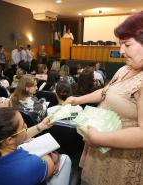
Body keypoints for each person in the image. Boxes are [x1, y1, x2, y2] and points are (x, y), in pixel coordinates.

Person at [63, 11, 143, 185]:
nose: (121, 51)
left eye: (127, 45)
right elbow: (106, 92)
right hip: (100, 152)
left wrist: (99, 139)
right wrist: (77, 100)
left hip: (120, 161)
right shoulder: (125, 69)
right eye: (120, 44)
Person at [0, 108, 71, 185]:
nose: (26, 126)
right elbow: (51, 166)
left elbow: (20, 136)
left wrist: (40, 127)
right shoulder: (31, 165)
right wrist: (50, 155)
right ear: (9, 140)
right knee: (66, 159)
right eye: (23, 126)